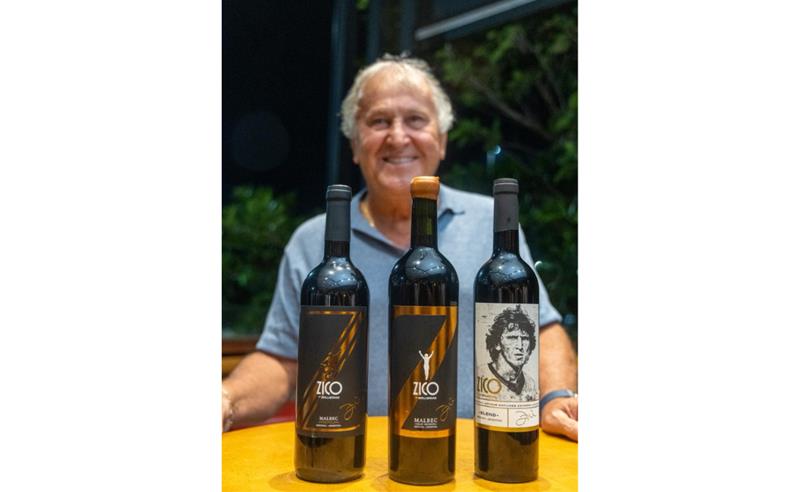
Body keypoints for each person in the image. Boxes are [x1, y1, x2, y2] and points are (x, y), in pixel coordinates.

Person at [222, 54, 578, 441]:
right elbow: (280, 358)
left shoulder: (490, 223)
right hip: (352, 455)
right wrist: (226, 399)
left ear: (442, 141)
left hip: (472, 456)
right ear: (355, 145)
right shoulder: (313, 241)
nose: (397, 137)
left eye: (416, 120)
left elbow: (541, 328)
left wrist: (556, 398)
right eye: (379, 121)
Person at [482, 305, 537, 401]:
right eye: (512, 338)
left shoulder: (530, 383)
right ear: (497, 343)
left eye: (525, 339)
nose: (520, 346)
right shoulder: (482, 373)